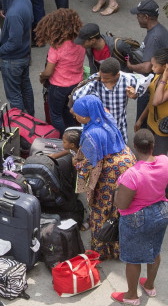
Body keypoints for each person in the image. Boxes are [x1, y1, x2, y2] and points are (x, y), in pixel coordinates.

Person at [111, 129, 168, 306]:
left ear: (135, 147)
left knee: (133, 258)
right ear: (153, 146)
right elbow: (167, 182)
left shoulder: (132, 175)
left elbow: (121, 204)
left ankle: (131, 296)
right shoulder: (166, 162)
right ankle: (150, 285)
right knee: (155, 251)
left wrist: (117, 191)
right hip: (161, 211)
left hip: (136, 218)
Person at [71, 95, 136, 260]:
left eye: (77, 115)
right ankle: (120, 248)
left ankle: (101, 251)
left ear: (86, 116)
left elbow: (89, 164)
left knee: (101, 209)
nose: (75, 117)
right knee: (119, 209)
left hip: (111, 172)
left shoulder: (92, 134)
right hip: (126, 162)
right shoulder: (104, 116)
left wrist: (77, 164)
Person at [133, 47, 168, 215]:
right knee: (148, 159)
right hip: (151, 123)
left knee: (161, 164)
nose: (151, 69)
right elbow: (151, 100)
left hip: (164, 128)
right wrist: (140, 119)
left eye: (154, 66)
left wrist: (164, 78)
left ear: (167, 66)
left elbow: (157, 101)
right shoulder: (157, 76)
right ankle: (150, 191)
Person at [73, 57, 150, 143]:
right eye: (101, 76)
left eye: (106, 78)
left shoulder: (128, 79)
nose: (102, 80)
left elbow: (144, 86)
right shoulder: (95, 80)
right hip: (100, 130)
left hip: (119, 129)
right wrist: (93, 81)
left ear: (117, 75)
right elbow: (77, 97)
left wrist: (134, 95)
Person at [36, 8, 85, 134]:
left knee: (55, 114)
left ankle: (66, 136)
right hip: (76, 84)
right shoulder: (81, 42)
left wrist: (42, 76)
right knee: (68, 110)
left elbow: (48, 71)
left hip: (59, 87)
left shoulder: (57, 47)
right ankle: (74, 134)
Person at [125, 0, 168, 125]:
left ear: (146, 17)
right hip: (158, 83)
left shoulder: (154, 38)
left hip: (150, 87)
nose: (137, 18)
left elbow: (147, 67)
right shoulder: (161, 30)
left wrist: (130, 66)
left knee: (142, 124)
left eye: (138, 16)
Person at [0, 0, 34, 115]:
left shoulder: (13, 15)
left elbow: (14, 42)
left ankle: (21, 125)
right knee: (26, 88)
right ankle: (31, 119)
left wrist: (0, 52)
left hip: (13, 60)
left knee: (14, 96)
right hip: (25, 55)